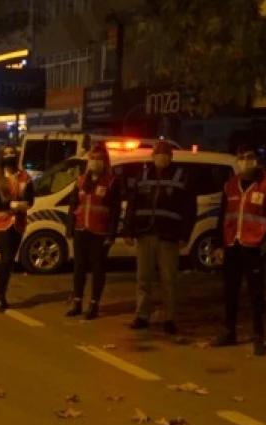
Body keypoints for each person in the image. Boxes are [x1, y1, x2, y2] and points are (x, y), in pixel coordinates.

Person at [213, 146, 266, 355]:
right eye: (241, 158)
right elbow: (223, 216)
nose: (244, 161)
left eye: (249, 157)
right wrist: (218, 244)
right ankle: (229, 332)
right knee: (230, 292)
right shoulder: (230, 185)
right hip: (232, 245)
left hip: (254, 247)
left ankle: (259, 336)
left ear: (257, 160)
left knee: (256, 294)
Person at [123, 141, 196, 334]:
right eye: (157, 154)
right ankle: (142, 315)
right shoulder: (143, 176)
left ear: (171, 156)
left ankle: (168, 318)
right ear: (153, 156)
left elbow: (190, 209)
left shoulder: (182, 176)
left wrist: (184, 235)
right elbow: (132, 204)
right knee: (143, 278)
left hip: (169, 236)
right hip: (145, 234)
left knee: (168, 280)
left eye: (164, 154)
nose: (160, 157)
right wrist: (128, 230)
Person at [65, 143, 123, 320]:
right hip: (82, 229)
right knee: (79, 268)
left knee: (97, 268)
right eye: (92, 159)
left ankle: (94, 304)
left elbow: (115, 210)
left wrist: (111, 234)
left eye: (98, 159)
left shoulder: (112, 182)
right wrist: (70, 227)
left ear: (105, 162)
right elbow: (73, 204)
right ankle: (77, 303)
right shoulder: (82, 180)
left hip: (100, 232)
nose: (95, 162)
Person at [0, 144, 33, 312]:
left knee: (9, 261)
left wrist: (22, 204)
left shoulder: (24, 177)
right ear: (1, 156)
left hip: (18, 224)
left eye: (12, 153)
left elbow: (30, 199)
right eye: (6, 153)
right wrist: (12, 204)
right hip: (1, 223)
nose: (10, 156)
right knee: (5, 258)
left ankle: (2, 293)